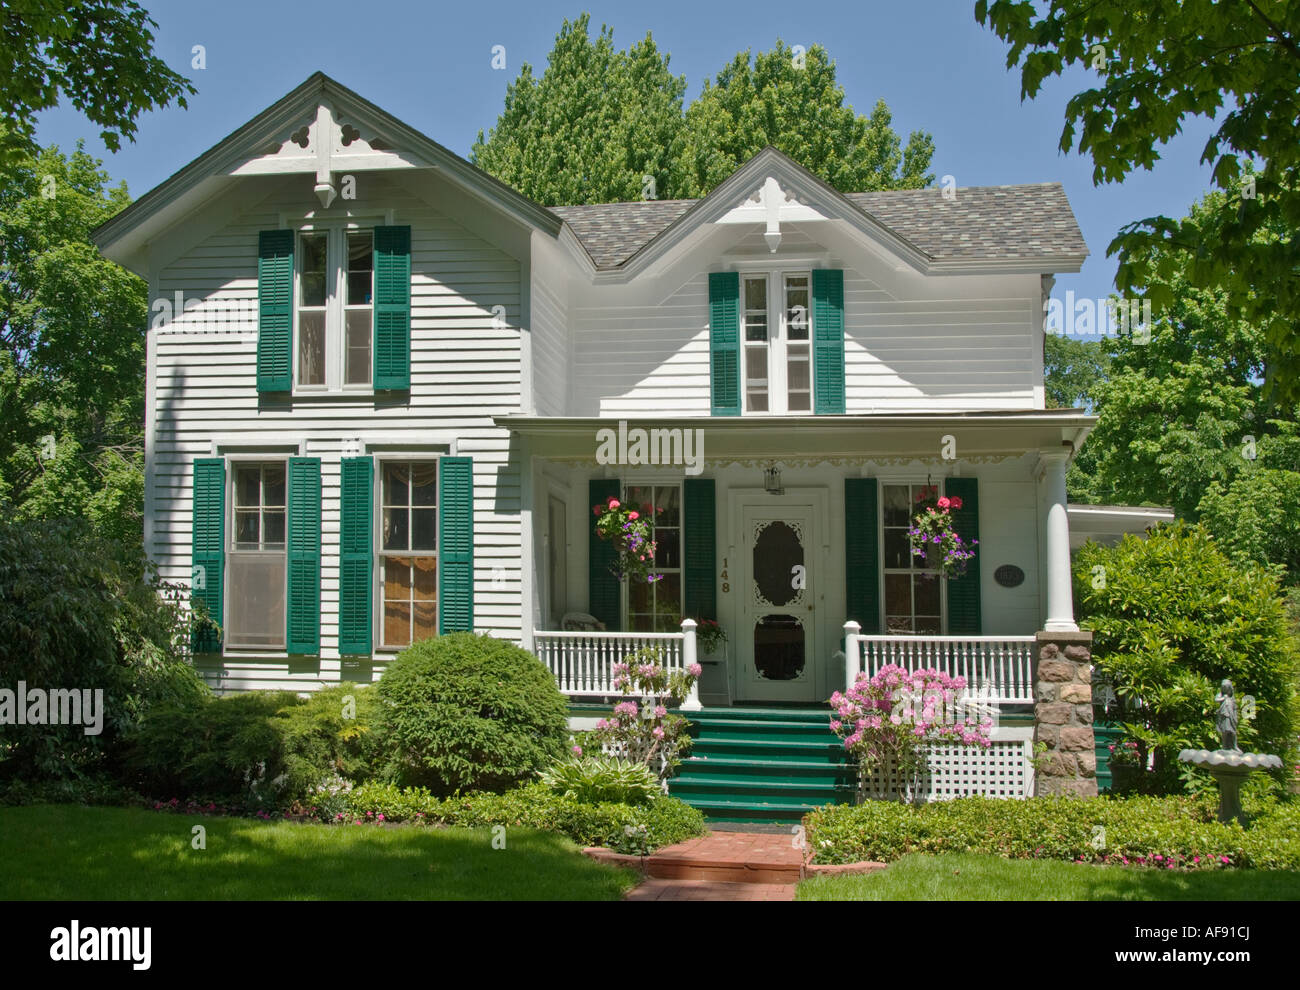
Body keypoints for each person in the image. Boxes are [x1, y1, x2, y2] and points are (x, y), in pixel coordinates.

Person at [1215, 679, 1239, 752]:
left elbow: (1234, 708)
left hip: (1231, 716)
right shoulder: (1221, 695)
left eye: (1227, 688)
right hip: (1224, 715)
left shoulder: (1232, 698)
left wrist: (1235, 717)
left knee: (1233, 731)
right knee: (1225, 731)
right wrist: (1223, 698)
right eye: (1224, 688)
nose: (1226, 690)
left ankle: (1234, 746)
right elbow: (1216, 699)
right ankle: (1224, 746)